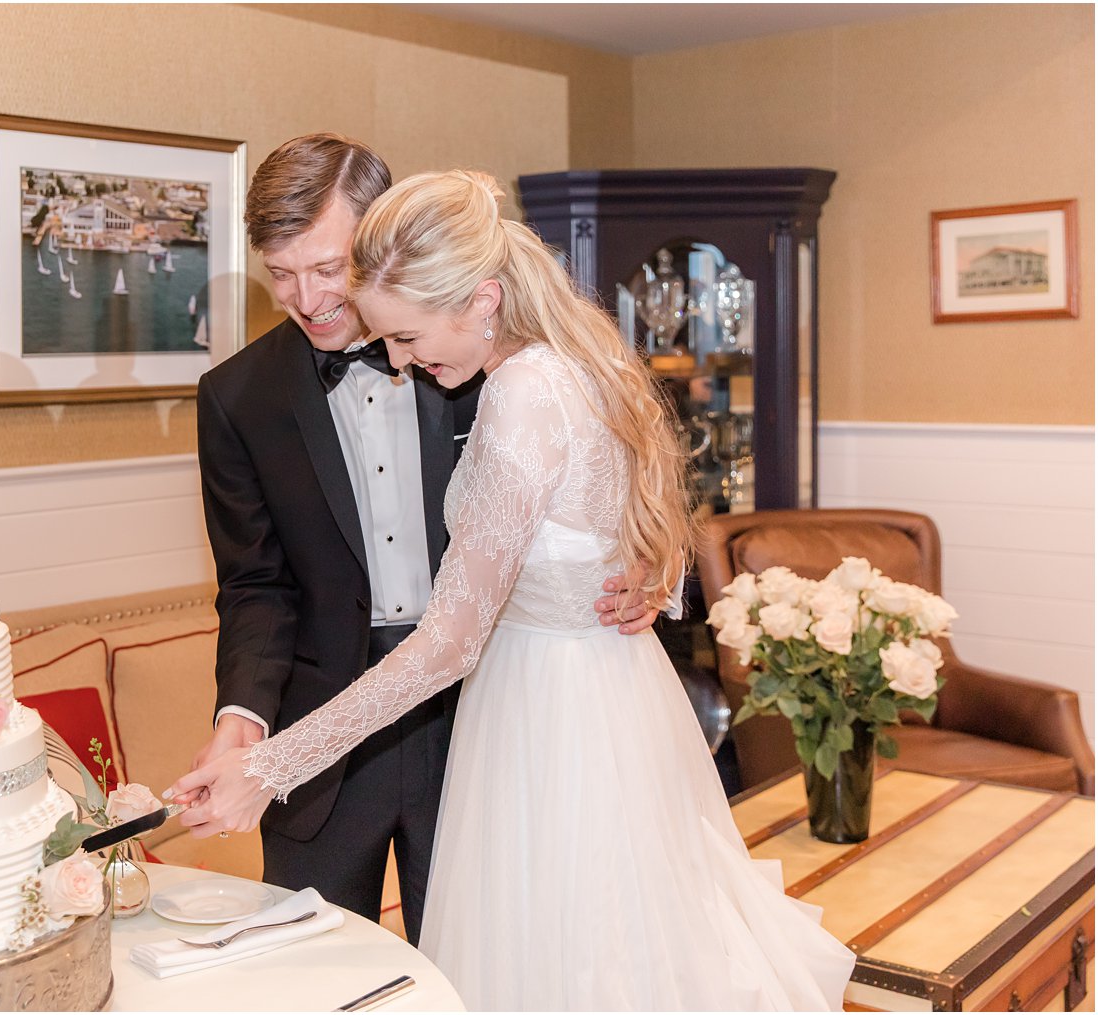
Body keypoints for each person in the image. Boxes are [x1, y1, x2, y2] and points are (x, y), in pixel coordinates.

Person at [171, 170, 857, 1009]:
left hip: (534, 725)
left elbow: (452, 640)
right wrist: (644, 565)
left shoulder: (515, 391)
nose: (398, 359)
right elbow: (638, 490)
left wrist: (271, 765)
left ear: (480, 298)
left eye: (407, 336)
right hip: (577, 703)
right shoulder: (573, 356)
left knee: (551, 963)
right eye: (284, 274)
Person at [191, 135, 660, 945]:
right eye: (282, 272)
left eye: (329, 268)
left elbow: (611, 463)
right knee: (310, 975)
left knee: (486, 964)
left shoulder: (480, 354)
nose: (307, 299)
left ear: (384, 240)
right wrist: (246, 714)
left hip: (486, 716)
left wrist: (651, 563)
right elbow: (254, 585)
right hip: (326, 729)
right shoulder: (237, 396)